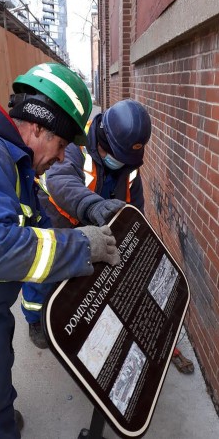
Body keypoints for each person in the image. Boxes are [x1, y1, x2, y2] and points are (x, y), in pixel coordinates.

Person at [0, 62, 121, 439]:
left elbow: (33, 228)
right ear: (37, 126)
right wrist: (81, 245)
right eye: (61, 144)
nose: (60, 157)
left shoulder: (13, 160)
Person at [27, 98, 195, 375]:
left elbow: (135, 208)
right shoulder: (74, 146)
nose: (120, 164)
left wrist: (139, 238)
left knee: (86, 274)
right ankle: (35, 317)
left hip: (94, 218)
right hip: (57, 216)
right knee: (46, 270)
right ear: (102, 138)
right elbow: (60, 181)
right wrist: (93, 206)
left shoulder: (127, 165)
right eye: (117, 156)